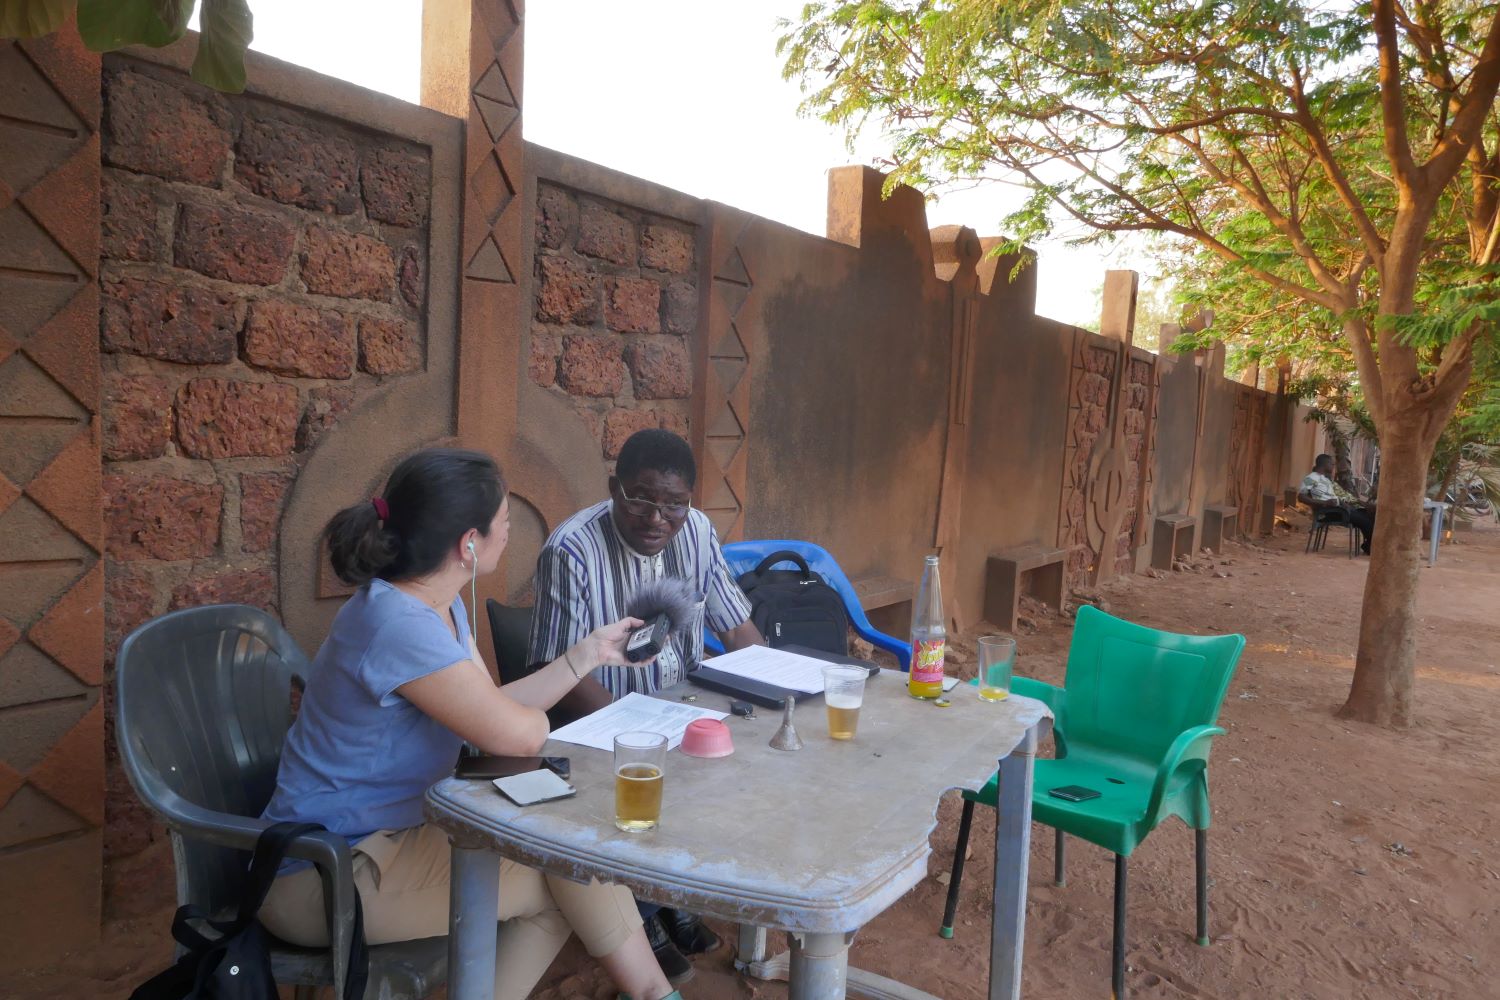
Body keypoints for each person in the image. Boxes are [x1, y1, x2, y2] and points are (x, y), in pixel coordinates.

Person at [258, 448, 677, 1000]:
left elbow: (489, 705)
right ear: (469, 544)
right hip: (324, 872)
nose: (509, 531)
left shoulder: (437, 602)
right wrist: (528, 724)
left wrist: (588, 655)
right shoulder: (397, 624)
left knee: (568, 868)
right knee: (565, 874)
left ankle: (654, 993)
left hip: (386, 840)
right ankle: (654, 992)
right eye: (503, 522)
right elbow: (515, 733)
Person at [527, 428, 765, 982]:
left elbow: (737, 627)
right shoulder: (571, 551)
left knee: (728, 756)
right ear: (615, 489)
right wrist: (638, 729)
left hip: (676, 705)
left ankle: (668, 893)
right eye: (641, 498)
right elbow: (560, 672)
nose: (658, 518)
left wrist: (774, 685)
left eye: (674, 504)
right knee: (643, 776)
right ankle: (641, 913)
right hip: (593, 720)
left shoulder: (698, 532)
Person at [1300, 452, 1375, 554]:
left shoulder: (1325, 479)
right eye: (1331, 464)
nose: (1333, 466)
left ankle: (1369, 546)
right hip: (1329, 512)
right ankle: (1370, 548)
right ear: (1324, 464)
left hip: (1338, 509)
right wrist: (1324, 502)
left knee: (1370, 515)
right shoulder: (1311, 478)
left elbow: (1339, 496)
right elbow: (1301, 497)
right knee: (1366, 521)